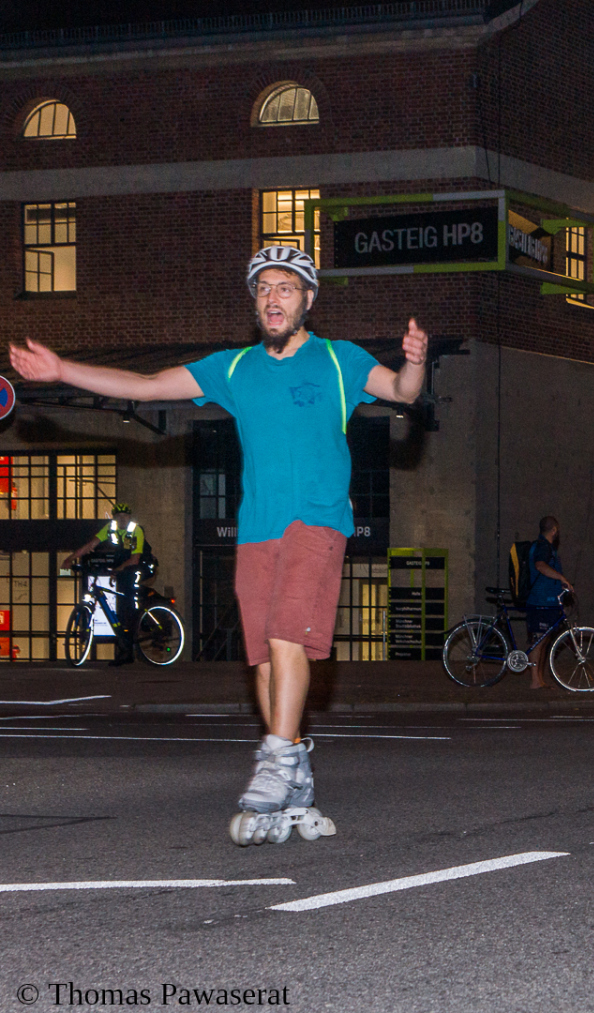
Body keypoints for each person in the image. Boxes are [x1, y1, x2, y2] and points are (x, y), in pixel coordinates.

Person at [11, 245, 427, 845]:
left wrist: (414, 363)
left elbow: (403, 392)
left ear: (308, 300)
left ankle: (276, 759)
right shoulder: (234, 369)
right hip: (257, 528)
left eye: (286, 288)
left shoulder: (340, 360)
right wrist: (63, 371)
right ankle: (295, 774)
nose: (273, 298)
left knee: (286, 633)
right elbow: (148, 386)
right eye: (264, 289)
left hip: (318, 520)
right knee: (263, 657)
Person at [63, 502, 153, 667]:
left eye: (125, 516)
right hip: (124, 568)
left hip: (141, 565)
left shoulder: (136, 530)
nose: (122, 519)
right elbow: (91, 545)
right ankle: (126, 650)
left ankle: (143, 621)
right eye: (118, 517)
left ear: (129, 517)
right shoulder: (110, 529)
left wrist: (117, 569)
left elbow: (135, 558)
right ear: (114, 518)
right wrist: (71, 558)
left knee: (129, 600)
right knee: (120, 609)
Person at [521, 516, 574, 689]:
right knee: (538, 640)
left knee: (543, 640)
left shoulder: (544, 546)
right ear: (554, 530)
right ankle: (535, 681)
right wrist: (561, 578)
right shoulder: (543, 547)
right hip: (540, 600)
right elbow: (540, 566)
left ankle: (539, 679)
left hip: (547, 600)